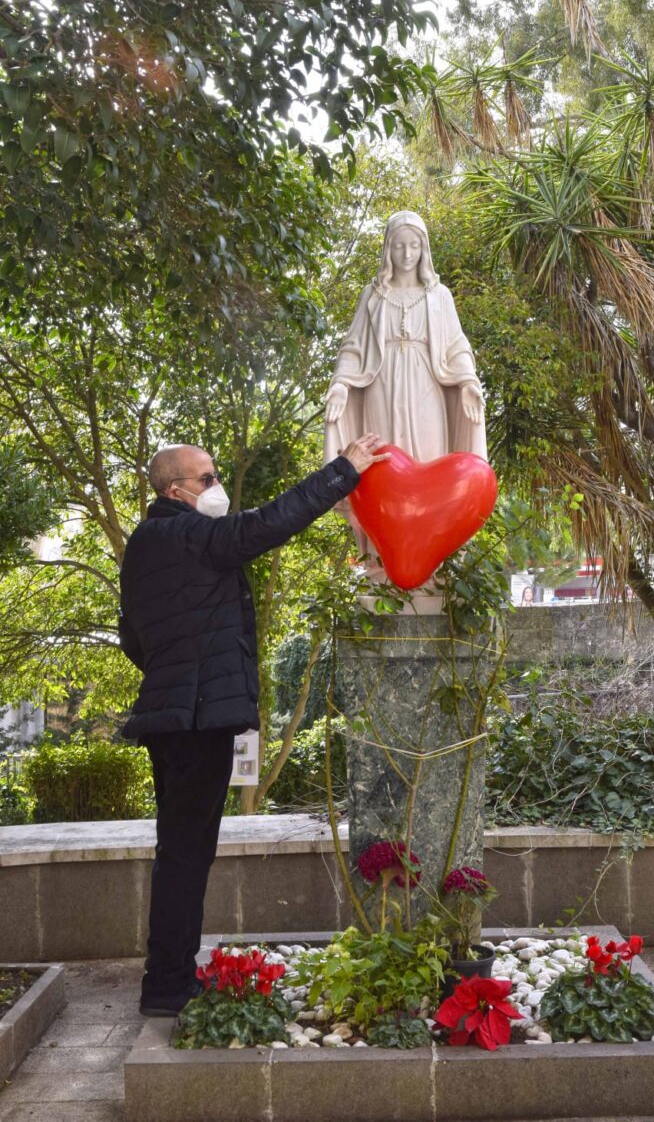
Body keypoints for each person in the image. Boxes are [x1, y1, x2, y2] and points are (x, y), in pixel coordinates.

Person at [118, 434, 388, 1016]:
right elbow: (266, 525)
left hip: (171, 718)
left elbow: (132, 638)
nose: (217, 488)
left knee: (180, 852)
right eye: (207, 479)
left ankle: (166, 977)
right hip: (197, 721)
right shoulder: (190, 535)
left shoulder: (144, 545)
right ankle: (166, 987)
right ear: (176, 490)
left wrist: (180, 672)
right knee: (188, 855)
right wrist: (344, 471)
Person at [323, 211, 486, 563]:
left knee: (429, 465)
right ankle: (382, 558)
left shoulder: (439, 295)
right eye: (399, 246)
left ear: (424, 249)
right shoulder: (373, 295)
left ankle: (430, 558)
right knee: (381, 463)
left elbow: (456, 345)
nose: (407, 253)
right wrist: (339, 385)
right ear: (388, 250)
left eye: (414, 245)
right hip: (380, 386)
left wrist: (469, 381)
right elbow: (353, 347)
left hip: (427, 387)